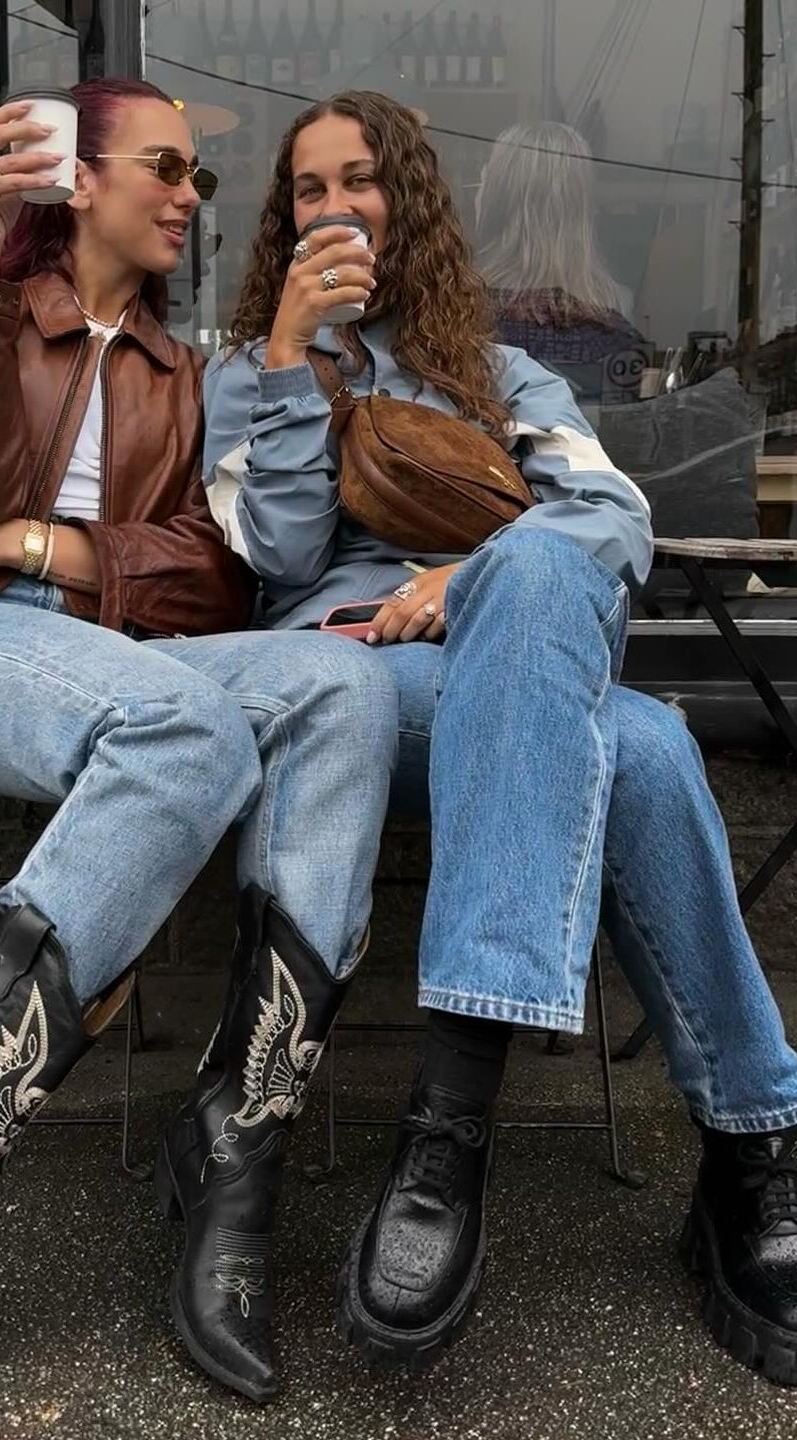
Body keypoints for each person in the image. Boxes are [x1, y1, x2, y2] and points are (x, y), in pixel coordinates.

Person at [0, 78, 399, 1437]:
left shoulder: (172, 370)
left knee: (336, 683)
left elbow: (202, 577)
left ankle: (234, 1149)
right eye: (168, 166)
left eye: (197, 173)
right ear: (79, 183)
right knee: (186, 725)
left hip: (102, 647)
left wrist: (24, 547)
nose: (193, 196)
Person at [198, 89, 797, 1390]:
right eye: (310, 188)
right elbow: (273, 553)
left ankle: (468, 1134)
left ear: (405, 201)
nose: (337, 204)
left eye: (362, 179)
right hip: (351, 686)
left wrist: (465, 585)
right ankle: (740, 1149)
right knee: (633, 740)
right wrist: (294, 362)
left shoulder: (498, 375)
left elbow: (612, 520)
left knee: (588, 662)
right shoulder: (243, 372)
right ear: (284, 218)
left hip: (502, 666)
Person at [474, 121, 648, 406]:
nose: (477, 194)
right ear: (583, 209)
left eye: (483, 183)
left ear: (497, 202)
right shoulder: (618, 316)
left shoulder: (456, 313)